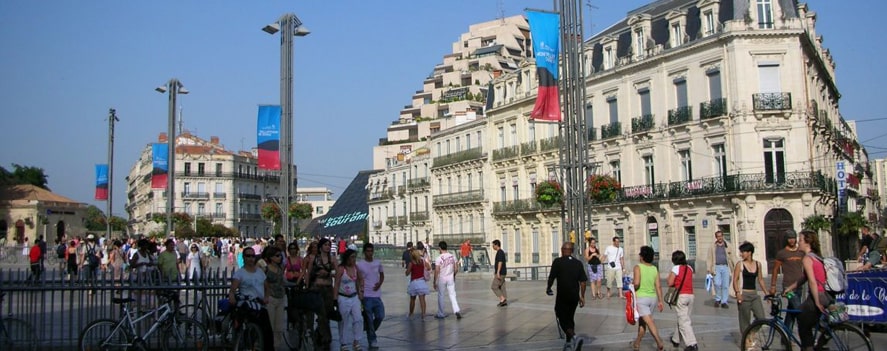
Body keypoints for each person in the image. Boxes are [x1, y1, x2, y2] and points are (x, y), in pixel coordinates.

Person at [784, 230, 832, 351]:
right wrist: (789, 288)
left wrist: (816, 301)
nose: (798, 243)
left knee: (802, 320)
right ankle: (820, 343)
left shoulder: (807, 259)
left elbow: (812, 281)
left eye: (800, 240)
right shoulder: (816, 257)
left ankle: (809, 348)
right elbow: (804, 278)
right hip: (826, 296)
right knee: (810, 320)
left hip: (818, 295)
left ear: (807, 242)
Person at [228, 247, 274, 351]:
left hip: (260, 304)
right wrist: (232, 297)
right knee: (246, 332)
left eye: (253, 256)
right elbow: (232, 290)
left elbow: (267, 287)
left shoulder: (260, 272)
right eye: (248, 256)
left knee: (267, 332)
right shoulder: (240, 273)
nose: (251, 258)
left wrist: (266, 297)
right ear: (243, 257)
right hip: (248, 305)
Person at [546, 241, 587, 351]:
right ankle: (569, 344)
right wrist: (582, 296)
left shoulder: (558, 262)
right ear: (572, 251)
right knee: (570, 318)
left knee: (562, 318)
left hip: (563, 295)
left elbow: (551, 277)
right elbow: (583, 282)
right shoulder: (578, 263)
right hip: (574, 297)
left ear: (562, 250)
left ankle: (574, 338)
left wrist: (548, 288)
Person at [631, 246, 665, 351]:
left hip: (641, 299)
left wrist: (631, 284)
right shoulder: (654, 269)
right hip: (652, 298)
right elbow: (658, 286)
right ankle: (637, 343)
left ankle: (659, 341)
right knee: (642, 322)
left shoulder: (638, 267)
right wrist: (660, 301)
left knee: (649, 321)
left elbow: (636, 283)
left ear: (642, 257)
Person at [769, 229, 805, 329]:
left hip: (799, 285)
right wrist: (773, 285)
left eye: (793, 238)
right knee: (798, 308)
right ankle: (805, 333)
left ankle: (785, 333)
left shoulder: (801, 252)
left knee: (791, 310)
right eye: (789, 238)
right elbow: (775, 270)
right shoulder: (782, 253)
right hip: (787, 286)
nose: (792, 240)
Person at [305, 238, 336, 350]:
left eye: (329, 244)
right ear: (321, 246)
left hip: (328, 288)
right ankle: (326, 337)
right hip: (316, 288)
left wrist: (335, 292)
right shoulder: (314, 258)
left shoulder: (332, 259)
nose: (327, 246)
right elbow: (308, 273)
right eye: (325, 244)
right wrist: (307, 287)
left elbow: (337, 274)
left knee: (326, 314)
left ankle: (320, 333)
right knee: (321, 312)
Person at [733, 241, 767, 334]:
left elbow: (760, 280)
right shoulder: (740, 264)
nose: (741, 254)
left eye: (743, 252)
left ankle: (751, 333)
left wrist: (767, 293)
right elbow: (735, 279)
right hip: (744, 294)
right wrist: (737, 293)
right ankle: (746, 340)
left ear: (749, 252)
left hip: (754, 295)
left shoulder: (758, 264)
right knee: (744, 320)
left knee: (761, 318)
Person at [667, 250, 698, 351]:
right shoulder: (689, 268)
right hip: (691, 296)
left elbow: (670, 282)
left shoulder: (676, 268)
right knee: (683, 318)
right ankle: (676, 339)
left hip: (681, 296)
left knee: (684, 321)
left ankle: (692, 344)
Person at [335, 249, 364, 351]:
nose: (354, 259)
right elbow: (337, 283)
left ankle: (356, 340)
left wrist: (361, 291)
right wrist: (335, 299)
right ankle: (343, 343)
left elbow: (361, 279)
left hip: (354, 296)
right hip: (343, 297)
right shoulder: (341, 268)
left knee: (358, 319)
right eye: (352, 257)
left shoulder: (356, 268)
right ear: (347, 258)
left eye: (355, 257)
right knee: (343, 320)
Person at [357, 243, 385, 349]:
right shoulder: (360, 264)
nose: (370, 253)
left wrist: (380, 283)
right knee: (369, 317)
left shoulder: (377, 263)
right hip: (366, 295)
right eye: (368, 251)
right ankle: (372, 338)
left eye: (371, 251)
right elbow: (358, 279)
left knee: (380, 316)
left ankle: (369, 329)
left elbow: (382, 275)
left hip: (376, 295)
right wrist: (360, 292)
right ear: (364, 252)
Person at [262, 246, 287, 350]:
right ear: (270, 257)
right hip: (270, 298)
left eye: (280, 255)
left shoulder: (280, 268)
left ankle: (276, 346)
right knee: (270, 325)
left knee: (279, 327)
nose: (280, 257)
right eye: (277, 256)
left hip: (280, 298)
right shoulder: (265, 268)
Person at [434, 241, 462, 319]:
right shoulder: (453, 256)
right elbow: (456, 269)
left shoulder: (438, 258)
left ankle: (441, 313)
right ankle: (456, 310)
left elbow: (436, 270)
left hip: (442, 279)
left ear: (440, 248)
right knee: (453, 295)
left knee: (441, 295)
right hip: (451, 278)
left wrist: (434, 281)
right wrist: (453, 275)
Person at [707, 230, 734, 308]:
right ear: (716, 237)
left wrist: (735, 266)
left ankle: (724, 301)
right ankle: (718, 298)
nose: (720, 238)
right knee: (717, 283)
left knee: (725, 285)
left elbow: (732, 257)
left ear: (723, 236)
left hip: (726, 267)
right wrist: (709, 268)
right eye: (718, 236)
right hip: (716, 267)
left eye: (721, 236)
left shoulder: (728, 245)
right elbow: (709, 258)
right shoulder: (712, 246)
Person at [406, 248, 430, 320]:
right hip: (421, 282)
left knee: (412, 299)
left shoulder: (411, 263)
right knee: (422, 299)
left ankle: (411, 313)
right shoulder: (422, 261)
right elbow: (428, 267)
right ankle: (423, 314)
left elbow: (407, 273)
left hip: (414, 283)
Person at [491, 239, 508, 307]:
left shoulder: (500, 252)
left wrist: (498, 272)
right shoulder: (501, 252)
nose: (492, 247)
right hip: (503, 272)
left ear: (496, 245)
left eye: (493, 245)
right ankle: (504, 300)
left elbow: (500, 262)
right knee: (502, 287)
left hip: (500, 273)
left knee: (494, 286)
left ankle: (502, 299)